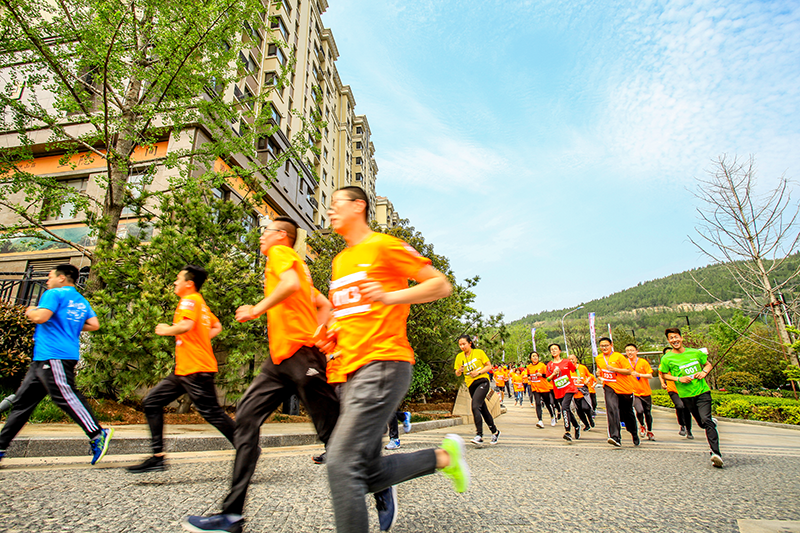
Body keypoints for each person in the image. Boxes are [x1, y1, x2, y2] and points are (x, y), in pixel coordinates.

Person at [321, 186, 470, 533]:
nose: (329, 212)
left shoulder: (384, 245)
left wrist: (391, 295)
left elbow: (440, 285)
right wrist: (330, 330)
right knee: (366, 471)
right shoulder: (340, 260)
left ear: (358, 206)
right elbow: (350, 312)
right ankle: (443, 457)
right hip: (348, 371)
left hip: (383, 363)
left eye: (335, 205)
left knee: (341, 464)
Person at [181, 218, 343, 532]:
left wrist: (257, 308)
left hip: (301, 356)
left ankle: (380, 485)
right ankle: (231, 515)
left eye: (265, 231)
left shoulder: (281, 256)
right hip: (279, 360)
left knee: (333, 439)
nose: (261, 236)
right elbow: (322, 304)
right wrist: (319, 332)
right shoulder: (298, 266)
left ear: (281, 236)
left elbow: (291, 287)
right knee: (245, 416)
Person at [0, 264, 112, 465]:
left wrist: (30, 311)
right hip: (45, 358)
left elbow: (41, 317)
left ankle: (97, 433)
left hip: (54, 356)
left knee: (66, 396)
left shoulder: (54, 294)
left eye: (50, 276)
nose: (47, 280)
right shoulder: (80, 300)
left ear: (62, 278)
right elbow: (94, 324)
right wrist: (69, 325)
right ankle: (1, 446)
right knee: (21, 404)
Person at [128, 265, 235, 473]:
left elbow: (185, 326)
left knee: (212, 413)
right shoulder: (201, 304)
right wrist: (200, 339)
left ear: (189, 283)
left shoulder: (190, 299)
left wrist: (166, 330)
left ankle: (247, 446)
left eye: (178, 279)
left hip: (196, 368)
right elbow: (216, 326)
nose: (175, 282)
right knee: (152, 402)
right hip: (185, 368)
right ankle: (157, 457)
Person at [659, 328, 723, 467]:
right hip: (686, 395)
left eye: (676, 337)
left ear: (681, 338)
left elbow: (708, 364)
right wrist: (678, 378)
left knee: (706, 420)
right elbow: (664, 374)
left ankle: (715, 453)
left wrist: (704, 372)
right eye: (671, 338)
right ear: (669, 341)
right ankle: (710, 422)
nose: (674, 340)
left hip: (702, 392)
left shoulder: (695, 352)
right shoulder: (667, 358)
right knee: (701, 423)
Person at [455, 335, 501, 444]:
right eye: (460, 345)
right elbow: (457, 373)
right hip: (471, 385)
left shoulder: (479, 352)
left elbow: (489, 366)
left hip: (482, 381)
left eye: (464, 344)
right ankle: (495, 431)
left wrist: (478, 372)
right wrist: (459, 370)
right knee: (483, 409)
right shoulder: (459, 357)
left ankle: (479, 435)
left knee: (475, 406)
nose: (462, 346)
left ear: (470, 343)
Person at [595, 337, 638, 447]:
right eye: (602, 346)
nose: (604, 348)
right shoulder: (599, 358)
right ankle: (615, 437)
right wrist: (599, 374)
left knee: (628, 413)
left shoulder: (619, 356)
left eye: (606, 345)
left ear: (611, 345)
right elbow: (601, 370)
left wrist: (615, 369)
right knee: (612, 409)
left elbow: (629, 371)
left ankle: (634, 433)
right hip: (609, 387)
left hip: (624, 389)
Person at [545, 344, 580, 442]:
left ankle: (567, 432)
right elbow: (548, 379)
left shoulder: (567, 362)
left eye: (555, 349)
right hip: (558, 390)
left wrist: (579, 377)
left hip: (569, 388)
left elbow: (575, 369)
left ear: (560, 351)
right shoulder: (550, 365)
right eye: (551, 350)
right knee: (566, 410)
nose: (553, 351)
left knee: (564, 408)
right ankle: (576, 426)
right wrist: (553, 374)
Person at [659, 347, 692, 438]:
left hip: (684, 389)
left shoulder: (680, 361)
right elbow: (661, 373)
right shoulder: (664, 363)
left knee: (686, 409)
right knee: (680, 406)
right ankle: (682, 425)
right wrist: (662, 383)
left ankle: (689, 430)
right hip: (672, 389)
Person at [626, 343, 655, 441]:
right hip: (634, 392)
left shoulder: (643, 362)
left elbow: (650, 375)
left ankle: (650, 431)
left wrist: (640, 374)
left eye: (632, 350)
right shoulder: (625, 363)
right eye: (628, 350)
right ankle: (642, 425)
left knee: (647, 412)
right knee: (639, 410)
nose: (630, 352)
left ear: (636, 351)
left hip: (645, 391)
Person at [528, 352, 555, 427]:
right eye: (533, 356)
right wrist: (529, 377)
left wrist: (541, 375)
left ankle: (552, 416)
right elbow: (528, 375)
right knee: (538, 403)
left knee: (547, 403)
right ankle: (540, 420)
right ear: (531, 358)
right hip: (535, 388)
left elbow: (548, 375)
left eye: (536, 356)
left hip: (544, 387)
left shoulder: (542, 365)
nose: (535, 357)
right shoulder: (529, 367)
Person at [568, 354, 595, 431]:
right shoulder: (568, 370)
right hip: (574, 394)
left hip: (583, 392)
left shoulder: (582, 367)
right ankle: (587, 425)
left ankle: (590, 419)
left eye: (573, 359)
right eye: (570, 359)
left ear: (576, 359)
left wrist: (587, 380)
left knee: (585, 407)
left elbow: (590, 375)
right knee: (579, 411)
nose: (571, 361)